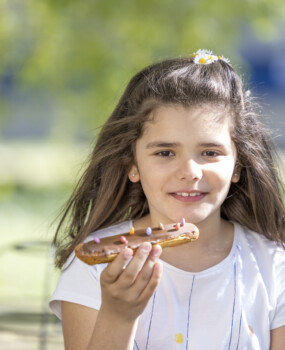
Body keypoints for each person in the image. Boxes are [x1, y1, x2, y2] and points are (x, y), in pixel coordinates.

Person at [49, 49, 285, 350]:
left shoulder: (275, 266)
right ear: (132, 164)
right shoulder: (92, 268)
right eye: (165, 153)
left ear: (238, 165)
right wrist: (118, 316)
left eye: (210, 153)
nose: (189, 172)